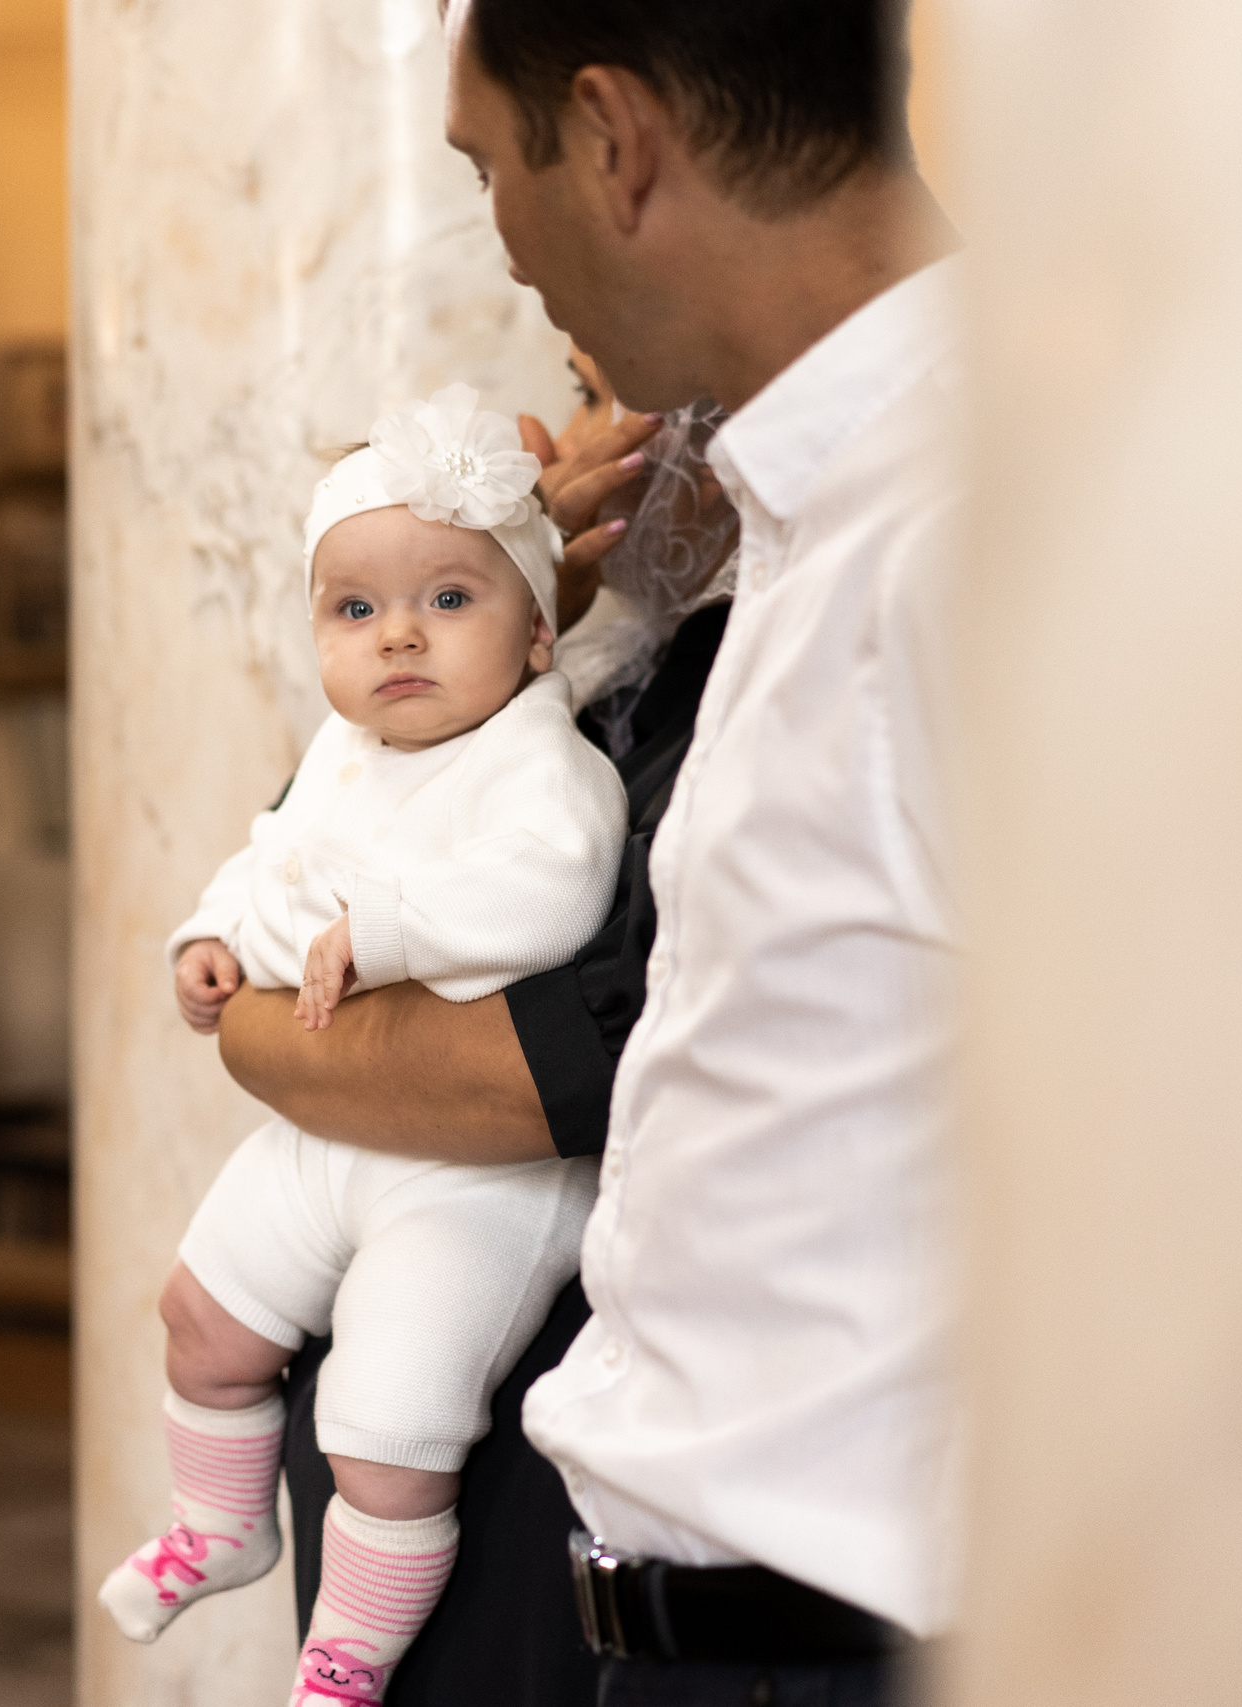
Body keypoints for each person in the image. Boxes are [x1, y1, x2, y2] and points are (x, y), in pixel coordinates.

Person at [227, 2, 966, 1701]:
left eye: (491, 167)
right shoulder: (788, 524)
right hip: (659, 1612)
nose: (502, 243)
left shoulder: (965, 532)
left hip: (838, 1641)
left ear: (618, 142)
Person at [97, 385, 627, 1706]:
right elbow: (271, 857)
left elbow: (550, 893)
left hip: (476, 1184)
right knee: (201, 1319)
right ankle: (222, 1525)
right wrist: (212, 936)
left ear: (539, 636)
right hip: (323, 1138)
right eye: (357, 611)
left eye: (451, 602)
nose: (400, 635)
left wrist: (382, 929)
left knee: (388, 1431)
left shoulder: (541, 762)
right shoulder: (345, 749)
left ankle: (347, 1655)